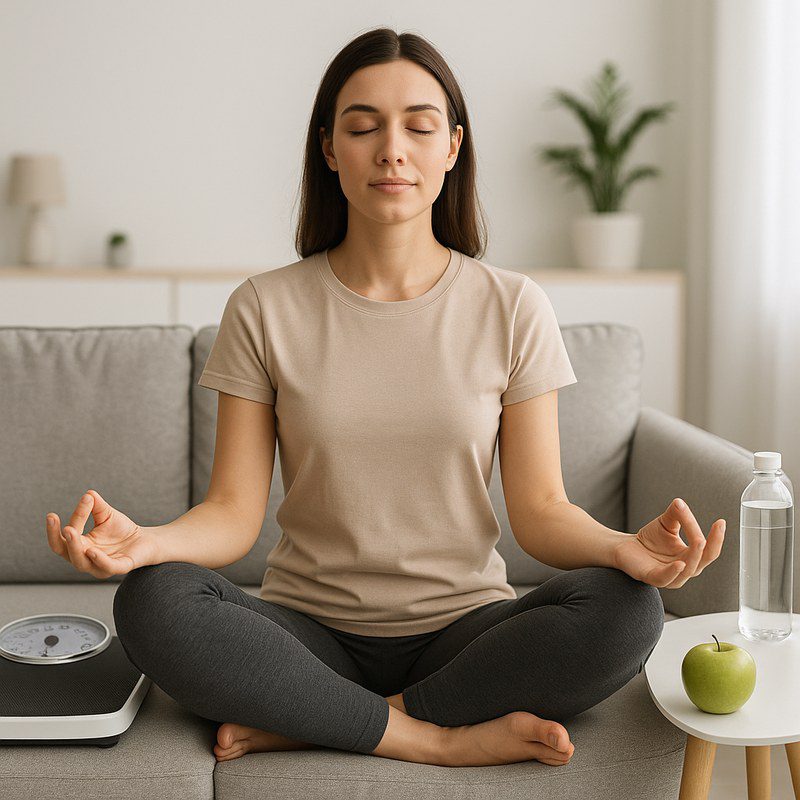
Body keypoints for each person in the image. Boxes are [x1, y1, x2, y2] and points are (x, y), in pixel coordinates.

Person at [45, 27, 726, 769]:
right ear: (330, 148)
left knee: (628, 609)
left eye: (419, 127)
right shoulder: (264, 307)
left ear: (452, 147)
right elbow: (234, 515)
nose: (392, 150)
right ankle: (434, 738)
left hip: (465, 635)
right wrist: (149, 543)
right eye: (363, 127)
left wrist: (625, 550)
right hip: (309, 635)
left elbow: (541, 513)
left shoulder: (512, 305)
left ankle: (323, 720)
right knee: (154, 601)